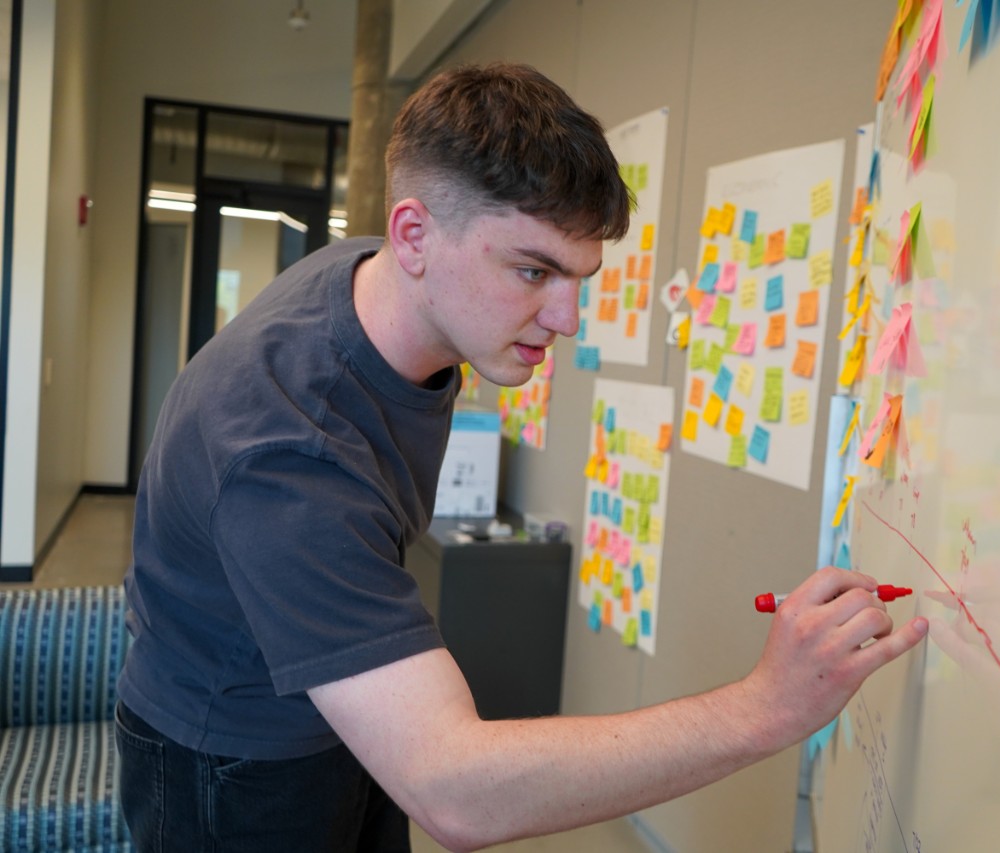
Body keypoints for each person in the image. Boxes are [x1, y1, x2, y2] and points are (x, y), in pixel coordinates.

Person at [115, 61, 928, 853]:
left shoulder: (374, 279)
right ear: (413, 235)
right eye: (533, 270)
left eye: (579, 277)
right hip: (231, 760)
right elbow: (454, 792)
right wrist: (766, 707)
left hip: (330, 709)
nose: (568, 318)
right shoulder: (286, 449)